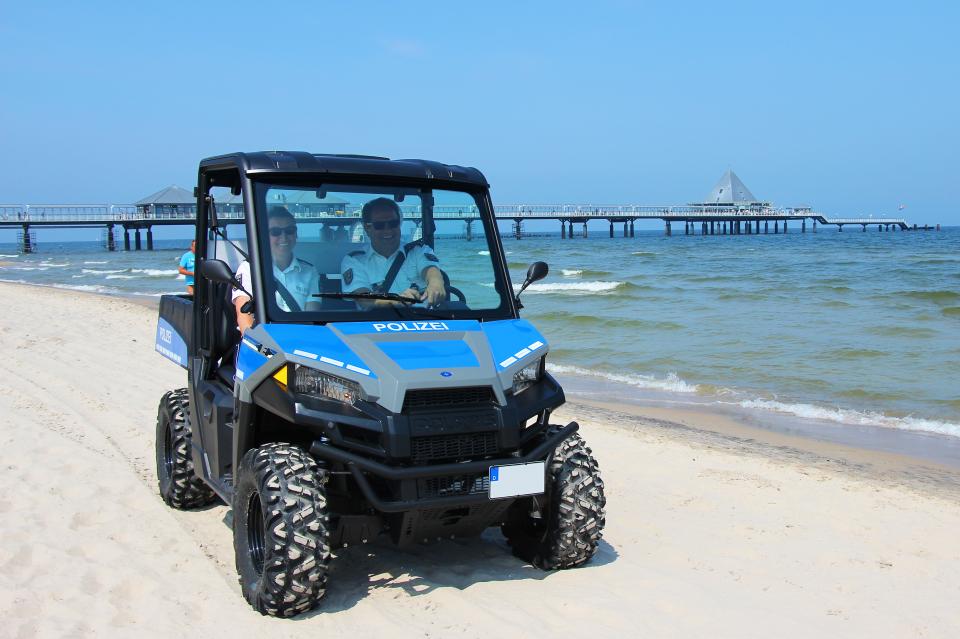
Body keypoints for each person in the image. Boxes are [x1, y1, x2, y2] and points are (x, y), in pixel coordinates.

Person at [340, 197, 446, 308]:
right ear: (367, 228)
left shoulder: (418, 251)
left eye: (393, 223)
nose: (388, 230)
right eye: (379, 225)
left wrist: (436, 283)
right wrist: (397, 301)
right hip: (374, 322)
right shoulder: (354, 260)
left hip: (423, 320)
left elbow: (431, 270)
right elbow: (363, 298)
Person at [232, 206, 320, 334]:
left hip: (300, 341)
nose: (283, 237)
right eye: (275, 232)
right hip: (262, 342)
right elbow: (244, 317)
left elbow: (311, 319)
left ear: (296, 234)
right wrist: (263, 350)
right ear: (264, 236)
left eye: (289, 231)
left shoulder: (310, 271)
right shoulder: (249, 268)